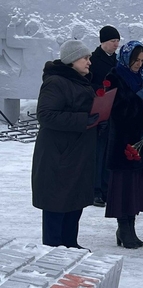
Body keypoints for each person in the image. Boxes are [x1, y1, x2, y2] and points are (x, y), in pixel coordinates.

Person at [31, 40, 99, 248]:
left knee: (73, 199)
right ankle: (53, 248)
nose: (89, 62)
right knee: (56, 202)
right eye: (85, 58)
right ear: (72, 60)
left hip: (76, 152)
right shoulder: (56, 82)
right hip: (58, 154)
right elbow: (46, 115)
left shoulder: (79, 80)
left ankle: (70, 243)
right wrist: (82, 120)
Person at [104, 41, 143, 249]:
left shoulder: (142, 76)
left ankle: (131, 227)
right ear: (126, 58)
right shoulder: (114, 77)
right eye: (136, 60)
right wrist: (141, 96)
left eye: (142, 60)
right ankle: (123, 228)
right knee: (124, 188)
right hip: (124, 142)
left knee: (135, 188)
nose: (139, 64)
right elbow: (118, 111)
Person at [90, 25, 121, 207]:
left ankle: (107, 187)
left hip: (114, 110)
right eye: (112, 41)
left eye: (117, 41)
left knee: (110, 150)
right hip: (99, 110)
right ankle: (96, 190)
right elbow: (87, 83)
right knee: (99, 151)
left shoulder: (117, 61)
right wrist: (101, 90)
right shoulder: (93, 60)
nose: (116, 44)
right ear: (103, 42)